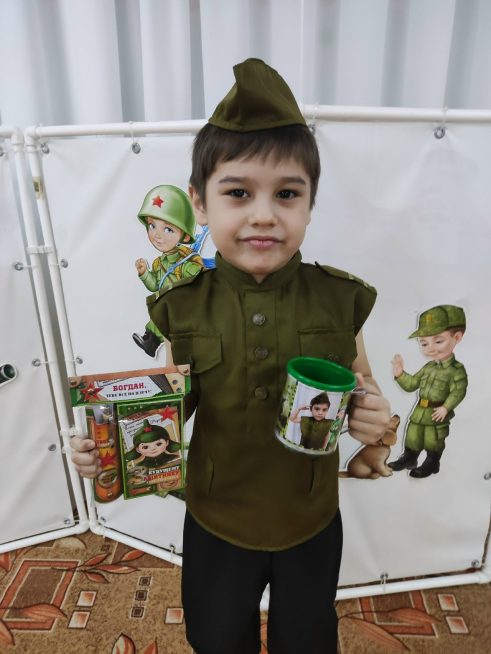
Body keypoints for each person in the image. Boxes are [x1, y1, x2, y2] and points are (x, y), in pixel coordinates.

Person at [71, 58, 390, 654]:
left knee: (308, 640)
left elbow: (365, 386)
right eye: (238, 192)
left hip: (309, 518)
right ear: (200, 202)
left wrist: (375, 421)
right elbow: (168, 408)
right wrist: (106, 445)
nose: (263, 213)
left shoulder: (340, 299)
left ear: (311, 202)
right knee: (217, 638)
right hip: (217, 518)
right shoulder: (182, 307)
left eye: (287, 193)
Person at [389, 305, 467, 478]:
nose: (430, 348)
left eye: (438, 341)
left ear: (457, 337)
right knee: (413, 435)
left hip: (437, 412)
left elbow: (458, 391)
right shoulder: (428, 367)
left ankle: (432, 462)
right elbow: (412, 384)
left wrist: (446, 407)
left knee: (433, 439)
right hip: (420, 411)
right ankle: (409, 458)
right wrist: (400, 374)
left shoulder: (456, 370)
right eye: (424, 343)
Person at [132, 184, 205, 357]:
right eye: (152, 226)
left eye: (168, 229)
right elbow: (155, 285)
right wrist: (144, 273)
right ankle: (151, 341)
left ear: (185, 236)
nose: (158, 235)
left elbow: (199, 285)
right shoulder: (159, 263)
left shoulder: (188, 260)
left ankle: (153, 341)